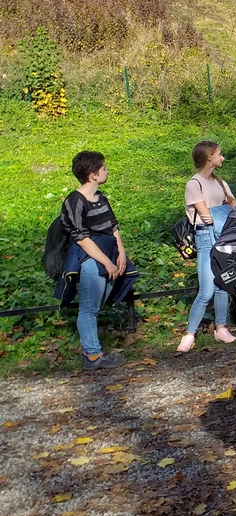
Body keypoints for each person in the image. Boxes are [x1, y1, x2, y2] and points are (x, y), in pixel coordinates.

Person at [61, 151, 131, 370]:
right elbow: (81, 238)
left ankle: (92, 350)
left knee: (97, 305)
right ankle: (92, 355)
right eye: (103, 168)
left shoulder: (101, 197)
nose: (107, 171)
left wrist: (121, 253)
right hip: (91, 259)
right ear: (93, 174)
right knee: (89, 308)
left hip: (110, 253)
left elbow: (113, 226)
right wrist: (107, 263)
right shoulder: (75, 201)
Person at [177, 141, 236, 353]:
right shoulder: (194, 184)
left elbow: (234, 206)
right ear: (209, 157)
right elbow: (205, 215)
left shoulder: (221, 183)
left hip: (222, 235)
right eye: (219, 154)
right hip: (205, 236)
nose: (222, 158)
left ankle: (221, 327)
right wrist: (222, 211)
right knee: (207, 290)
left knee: (223, 285)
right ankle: (190, 333)